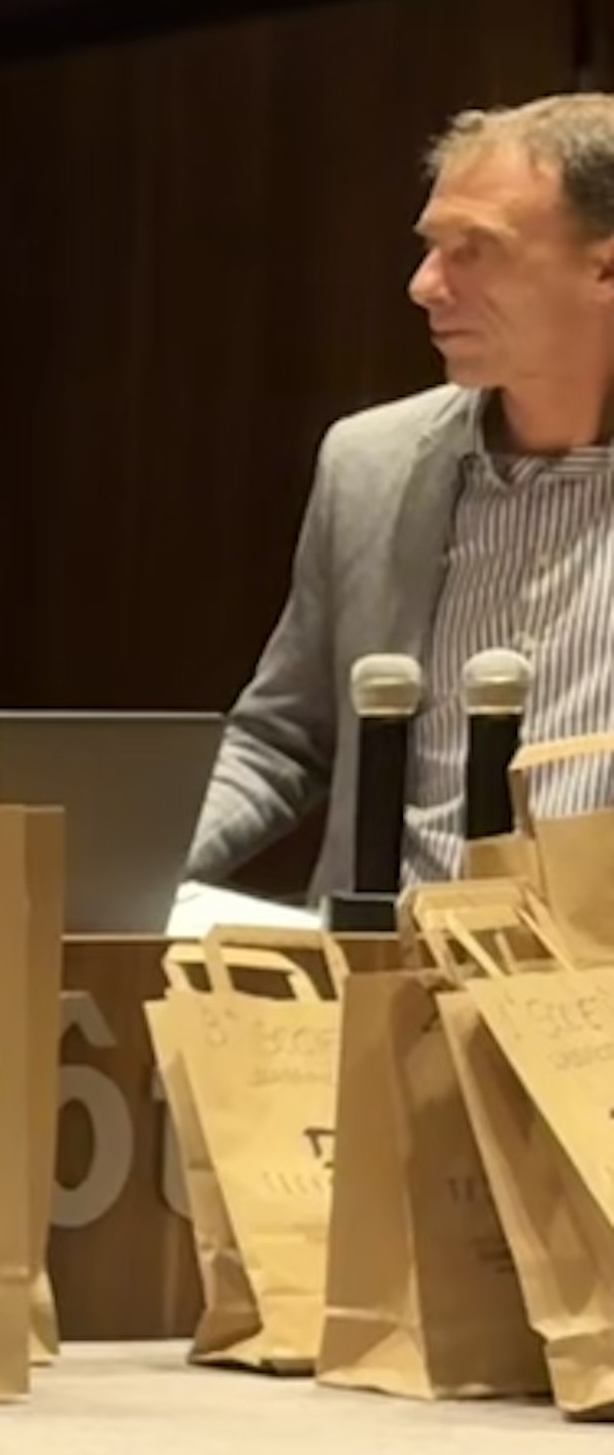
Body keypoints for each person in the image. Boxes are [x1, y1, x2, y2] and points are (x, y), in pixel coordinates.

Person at [190, 92, 614, 894]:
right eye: (431, 247)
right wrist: (113, 870)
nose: (424, 285)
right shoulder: (370, 463)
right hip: (383, 962)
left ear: (604, 268)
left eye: (473, 251)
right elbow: (283, 738)